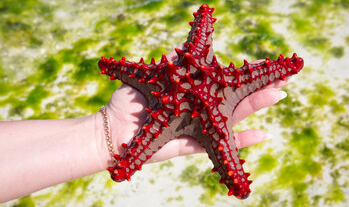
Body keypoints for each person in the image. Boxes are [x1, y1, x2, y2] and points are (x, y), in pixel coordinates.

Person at [0, 47, 290, 203]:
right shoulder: (225, 84)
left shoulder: (204, 84)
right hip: (204, 111)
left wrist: (281, 67)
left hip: (190, 111)